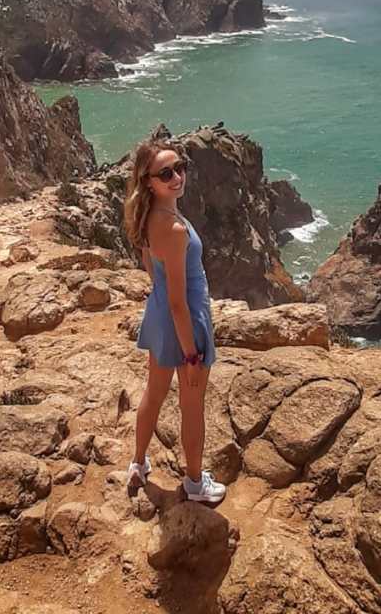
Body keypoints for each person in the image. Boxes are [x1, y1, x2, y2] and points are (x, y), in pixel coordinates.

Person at [122, 137, 226, 504]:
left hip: (159, 314)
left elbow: (154, 271)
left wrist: (162, 303)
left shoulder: (149, 216)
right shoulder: (175, 227)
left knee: (154, 392)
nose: (177, 176)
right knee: (192, 402)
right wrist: (193, 356)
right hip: (185, 321)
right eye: (166, 173)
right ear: (149, 180)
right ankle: (195, 483)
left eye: (181, 167)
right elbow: (181, 303)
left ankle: (138, 462)